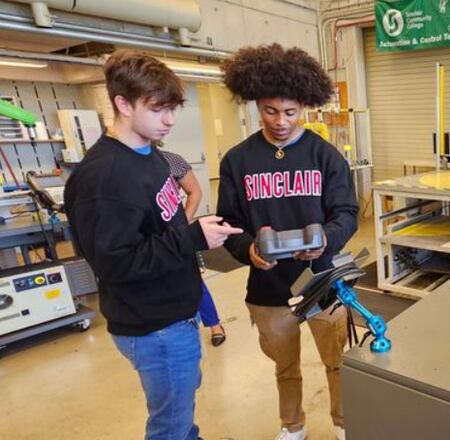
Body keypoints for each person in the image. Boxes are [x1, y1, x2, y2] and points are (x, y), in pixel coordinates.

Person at [64, 50, 242, 440]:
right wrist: (192, 238)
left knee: (180, 413)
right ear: (122, 103)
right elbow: (114, 263)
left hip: (175, 314)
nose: (170, 120)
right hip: (154, 327)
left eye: (173, 108)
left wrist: (193, 231)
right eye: (158, 109)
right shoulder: (104, 177)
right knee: (169, 427)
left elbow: (159, 226)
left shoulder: (150, 154)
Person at [217, 44, 358, 440]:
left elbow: (346, 213)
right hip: (269, 289)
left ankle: (344, 423)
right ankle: (292, 425)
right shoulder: (237, 161)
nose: (281, 121)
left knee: (338, 361)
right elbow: (229, 222)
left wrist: (326, 241)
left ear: (305, 106)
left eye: (290, 112)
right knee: (285, 366)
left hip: (322, 282)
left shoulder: (325, 156)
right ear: (256, 105)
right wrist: (246, 249)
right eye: (270, 110)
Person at [159, 148, 227, 346]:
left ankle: (214, 324)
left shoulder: (171, 160)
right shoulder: (127, 165)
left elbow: (195, 191)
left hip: (177, 231)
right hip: (152, 233)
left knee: (192, 278)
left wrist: (184, 223)